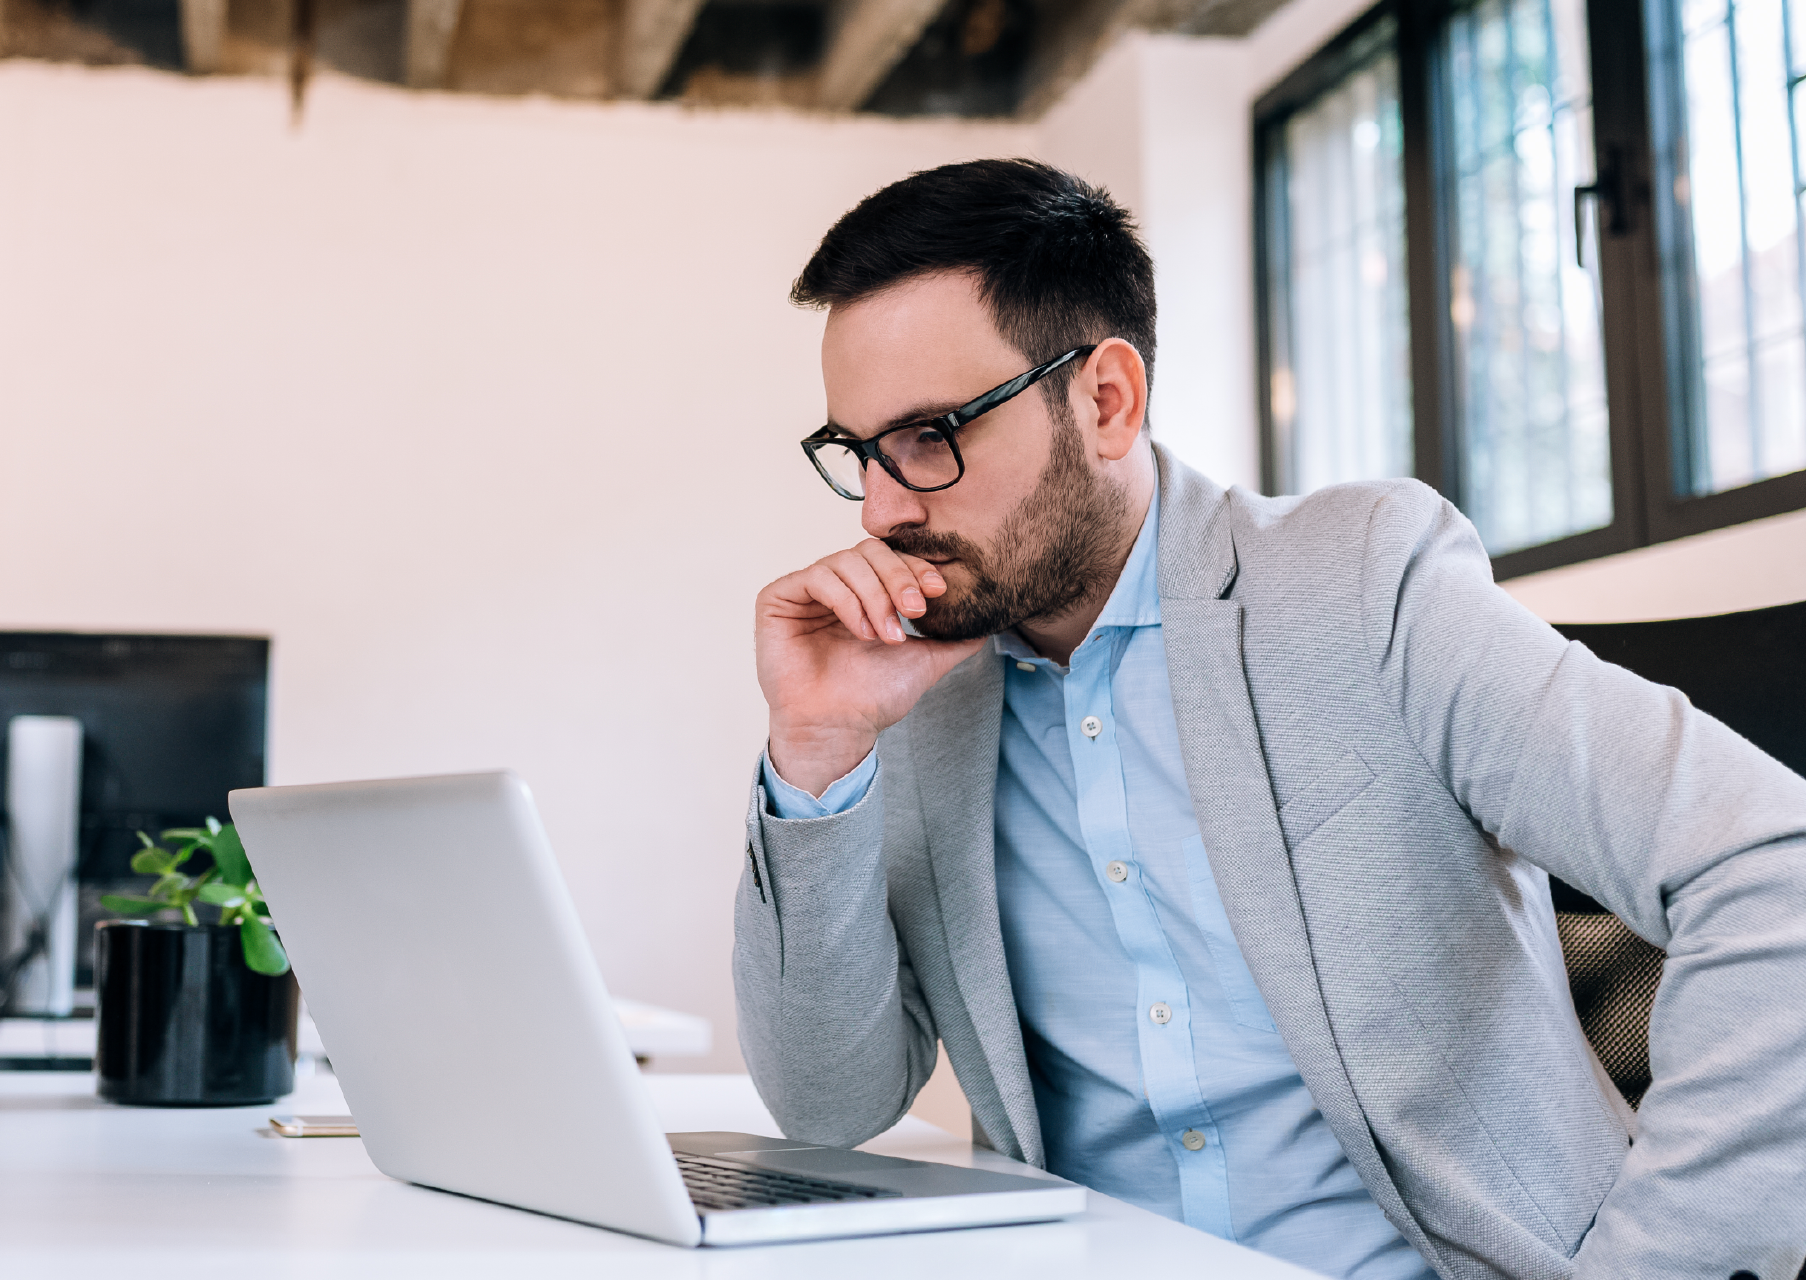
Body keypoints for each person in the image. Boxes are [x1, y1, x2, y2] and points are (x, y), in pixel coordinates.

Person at [734, 158, 1806, 1280]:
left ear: (1105, 399)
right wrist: (816, 748)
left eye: (929, 436)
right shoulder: (910, 685)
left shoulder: (1361, 584)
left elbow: (1774, 868)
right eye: (857, 452)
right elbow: (827, 1105)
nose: (883, 508)